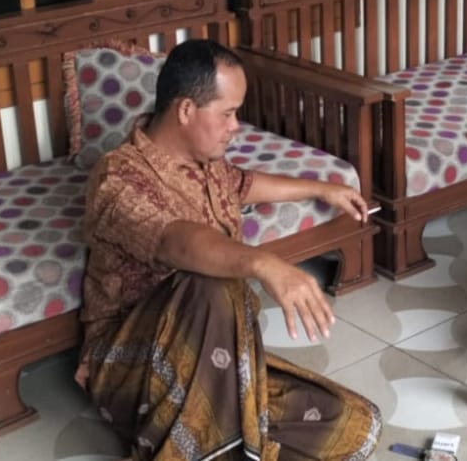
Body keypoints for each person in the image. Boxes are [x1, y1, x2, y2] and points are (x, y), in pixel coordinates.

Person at [75, 39, 381, 460]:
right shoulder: (119, 178)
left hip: (213, 362)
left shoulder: (206, 161)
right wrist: (264, 264)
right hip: (131, 365)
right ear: (186, 110)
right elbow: (176, 240)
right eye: (228, 113)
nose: (236, 126)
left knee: (352, 421)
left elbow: (244, 184)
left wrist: (322, 188)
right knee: (211, 285)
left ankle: (225, 444)